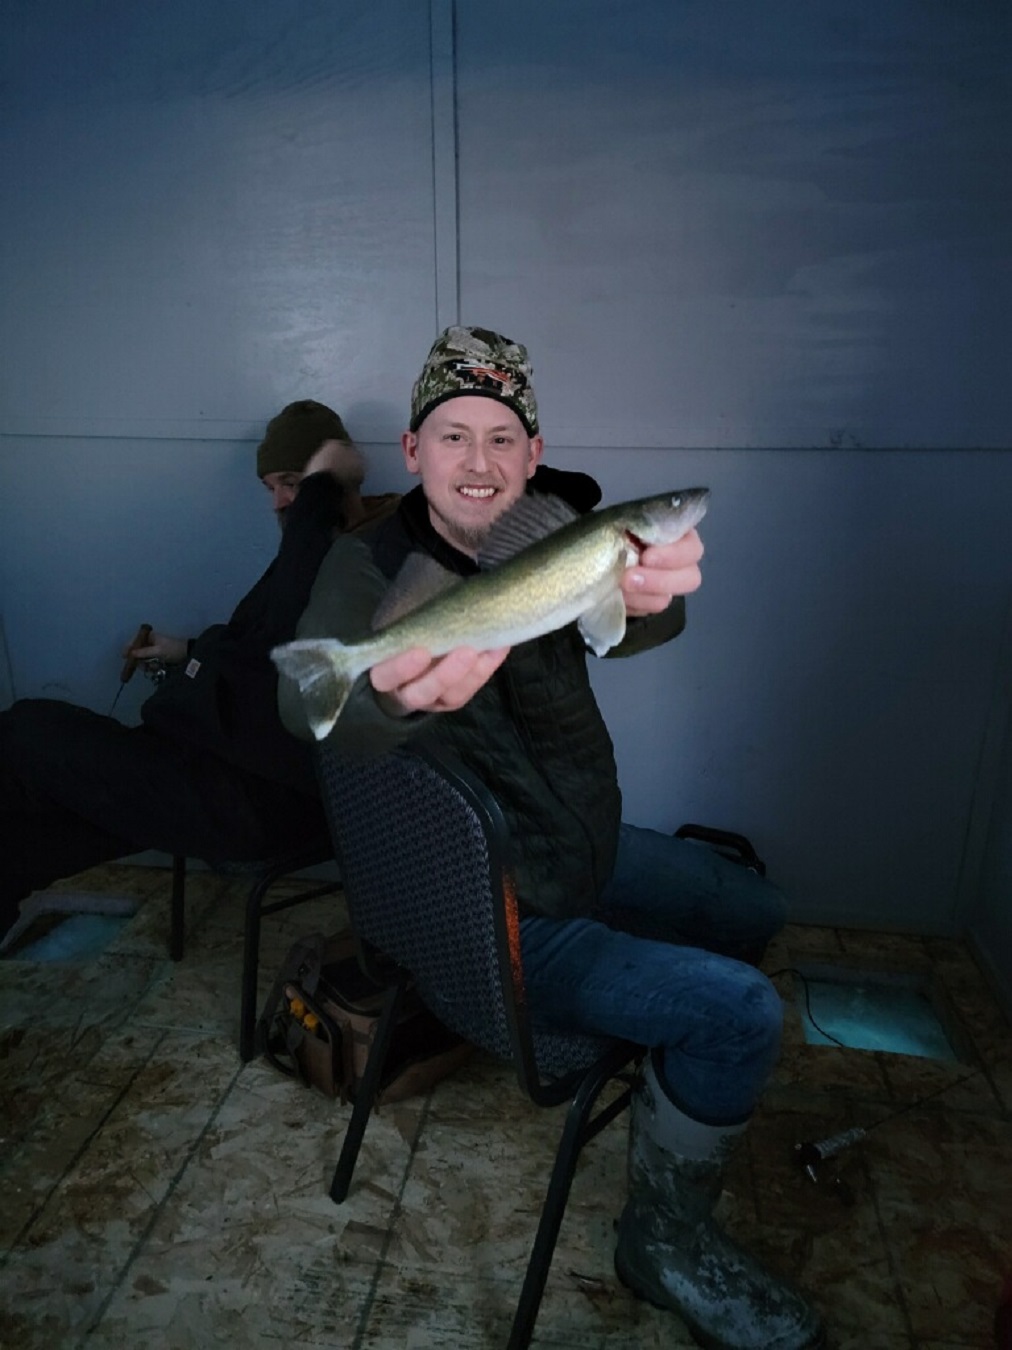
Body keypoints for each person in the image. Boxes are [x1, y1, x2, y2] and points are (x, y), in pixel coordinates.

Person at [278, 327, 824, 1350]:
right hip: (496, 916)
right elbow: (322, 713)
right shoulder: (368, 567)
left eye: (500, 437)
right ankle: (660, 1240)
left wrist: (645, 592)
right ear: (411, 450)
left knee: (754, 908)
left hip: (581, 849)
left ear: (531, 456)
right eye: (452, 436)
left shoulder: (549, 529)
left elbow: (631, 617)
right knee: (741, 1014)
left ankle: (671, 1076)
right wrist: (385, 698)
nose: (476, 462)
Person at [0, 399, 397, 945]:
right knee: (37, 822)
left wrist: (323, 486)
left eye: (292, 483)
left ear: (330, 482)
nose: (280, 502)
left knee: (26, 729)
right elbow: (259, 643)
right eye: (269, 488)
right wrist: (184, 649)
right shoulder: (317, 548)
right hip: (219, 764)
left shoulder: (366, 551)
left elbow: (282, 657)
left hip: (264, 797)